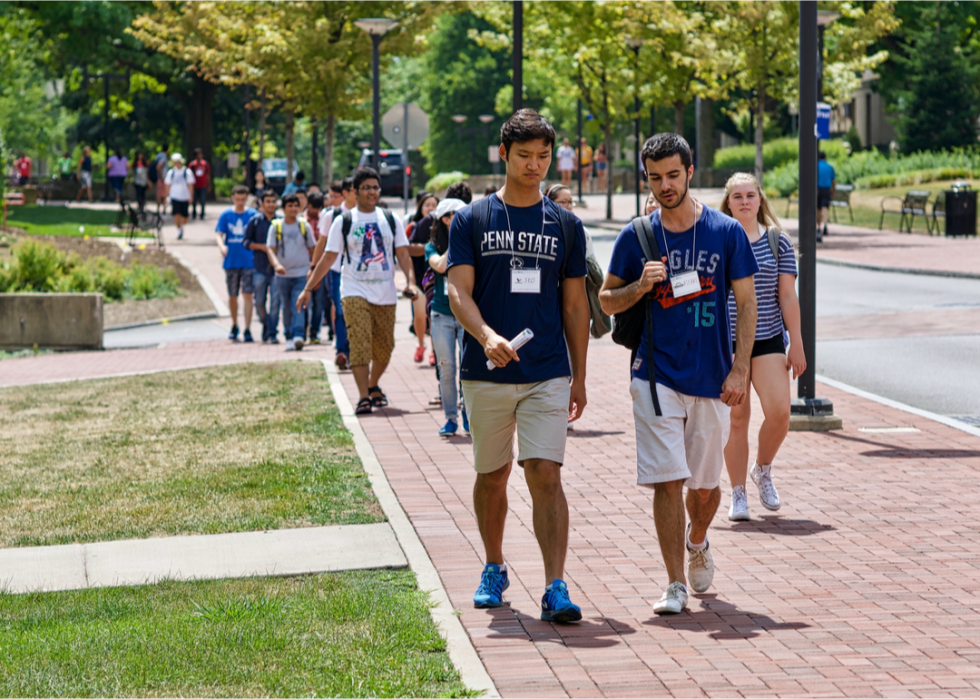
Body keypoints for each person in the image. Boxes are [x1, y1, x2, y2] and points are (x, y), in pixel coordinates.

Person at [599, 133, 759, 615]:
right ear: (645, 178)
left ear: (690, 172)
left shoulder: (725, 232)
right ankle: (674, 583)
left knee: (704, 488)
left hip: (711, 377)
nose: (665, 185)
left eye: (673, 174)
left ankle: (698, 539)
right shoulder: (637, 235)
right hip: (654, 374)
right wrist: (639, 286)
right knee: (667, 480)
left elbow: (747, 301)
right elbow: (606, 301)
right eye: (655, 177)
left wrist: (740, 368)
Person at [447, 109, 590, 622]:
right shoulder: (472, 219)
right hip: (485, 371)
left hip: (547, 370)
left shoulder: (565, 224)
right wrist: (486, 336)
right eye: (525, 156)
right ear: (503, 154)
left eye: (543, 157)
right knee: (493, 474)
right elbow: (456, 290)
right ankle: (493, 565)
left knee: (545, 473)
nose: (535, 166)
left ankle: (555, 585)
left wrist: (580, 375)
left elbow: (575, 306)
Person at [720, 173, 806, 521]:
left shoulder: (777, 242)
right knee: (737, 419)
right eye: (737, 196)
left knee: (780, 414)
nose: (744, 201)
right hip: (727, 340)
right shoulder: (717, 240)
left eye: (750, 195)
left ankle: (763, 469)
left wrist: (796, 341)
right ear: (728, 202)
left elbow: (787, 295)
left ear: (760, 200)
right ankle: (738, 493)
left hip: (768, 337)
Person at [300, 167, 419, 412]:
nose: (372, 192)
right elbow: (328, 257)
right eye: (366, 187)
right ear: (355, 191)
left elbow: (403, 254)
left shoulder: (389, 218)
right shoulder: (343, 221)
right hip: (353, 289)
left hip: (385, 293)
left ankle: (373, 384)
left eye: (375, 187)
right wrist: (308, 288)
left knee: (385, 347)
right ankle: (363, 396)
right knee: (359, 343)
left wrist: (410, 281)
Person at [426, 197, 468, 436]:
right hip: (441, 315)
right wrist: (458, 240)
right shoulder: (432, 247)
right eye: (454, 216)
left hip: (466, 315)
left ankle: (468, 416)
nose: (460, 220)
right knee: (447, 367)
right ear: (444, 219)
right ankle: (450, 417)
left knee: (468, 369)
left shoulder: (473, 242)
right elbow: (441, 266)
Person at [313, 175, 356, 369]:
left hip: (361, 272)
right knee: (340, 309)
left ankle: (356, 350)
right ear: (346, 193)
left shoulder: (370, 214)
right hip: (337, 270)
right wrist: (314, 269)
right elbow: (321, 244)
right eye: (357, 190)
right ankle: (342, 351)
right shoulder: (332, 215)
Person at [266, 193, 316, 351]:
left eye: (296, 205)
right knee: (286, 306)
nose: (294, 209)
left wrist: (312, 269)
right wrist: (276, 265)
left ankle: (298, 335)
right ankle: (288, 336)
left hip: (301, 273)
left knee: (299, 304)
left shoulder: (304, 226)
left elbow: (312, 248)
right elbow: (270, 249)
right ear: (284, 208)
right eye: (290, 206)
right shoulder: (276, 226)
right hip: (282, 275)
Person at [216, 184, 258, 342]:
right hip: (231, 261)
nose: (240, 202)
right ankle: (234, 324)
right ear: (233, 198)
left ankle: (247, 328)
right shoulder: (226, 215)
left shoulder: (253, 215)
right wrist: (221, 246)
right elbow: (219, 234)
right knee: (232, 296)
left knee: (248, 294)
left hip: (249, 261)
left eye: (243, 199)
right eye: (237, 199)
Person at [244, 190, 281, 343]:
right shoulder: (255, 221)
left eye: (273, 201)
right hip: (259, 268)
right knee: (259, 302)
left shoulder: (281, 222)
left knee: (275, 303)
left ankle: (272, 332)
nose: (271, 204)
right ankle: (266, 325)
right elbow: (246, 242)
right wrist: (263, 247)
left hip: (277, 270)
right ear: (262, 203)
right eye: (268, 201)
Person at [407, 192, 439, 363]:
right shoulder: (414, 226)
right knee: (420, 315)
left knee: (434, 315)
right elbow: (408, 250)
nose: (431, 208)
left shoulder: (444, 226)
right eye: (427, 205)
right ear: (421, 207)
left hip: (436, 280)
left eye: (434, 205)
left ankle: (434, 351)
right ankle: (421, 344)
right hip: (419, 279)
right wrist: (429, 248)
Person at [304, 190, 328, 344]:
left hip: (321, 266)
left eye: (319, 209)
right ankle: (303, 329)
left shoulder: (324, 220)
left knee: (319, 301)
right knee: (306, 300)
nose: (316, 212)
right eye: (314, 208)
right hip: (304, 266)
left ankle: (315, 332)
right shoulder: (301, 220)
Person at [164, 153, 195, 240]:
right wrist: (166, 197)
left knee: (185, 217)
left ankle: (181, 226)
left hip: (185, 197)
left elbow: (190, 185)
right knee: (177, 214)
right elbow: (167, 185)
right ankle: (179, 230)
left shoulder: (187, 172)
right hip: (174, 196)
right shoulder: (171, 172)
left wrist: (191, 196)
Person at [817, 151, 836, 239]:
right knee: (825, 208)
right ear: (825, 157)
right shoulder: (829, 167)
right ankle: (825, 224)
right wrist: (833, 190)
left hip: (817, 190)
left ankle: (818, 226)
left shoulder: (815, 166)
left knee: (817, 208)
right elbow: (834, 181)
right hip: (826, 190)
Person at [189, 148, 211, 221]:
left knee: (202, 200)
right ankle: (194, 213)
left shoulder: (205, 164)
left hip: (203, 185)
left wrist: (209, 185)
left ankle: (202, 214)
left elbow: (208, 175)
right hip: (194, 186)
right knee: (194, 201)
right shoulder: (192, 164)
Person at [152, 144, 170, 213]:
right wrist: (162, 177)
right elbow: (158, 167)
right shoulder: (163, 157)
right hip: (162, 179)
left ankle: (160, 209)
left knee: (160, 194)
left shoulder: (158, 155)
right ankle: (161, 209)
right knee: (162, 194)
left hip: (159, 178)